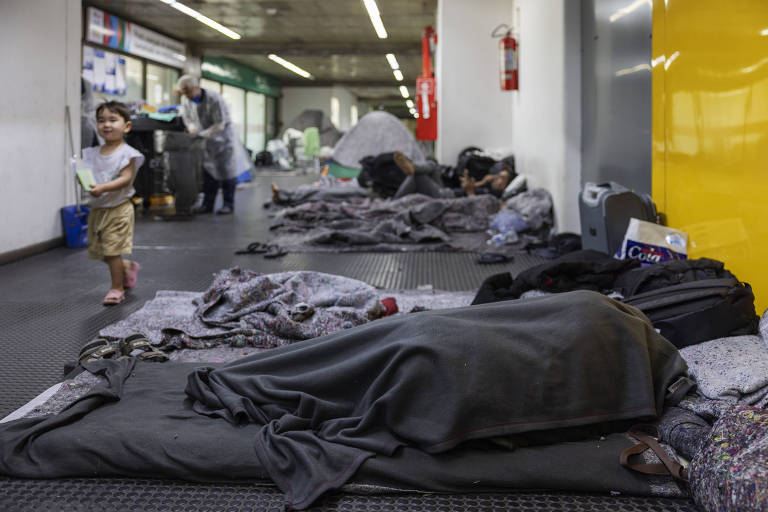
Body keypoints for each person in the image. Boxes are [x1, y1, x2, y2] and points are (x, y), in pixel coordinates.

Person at [82, 101, 144, 305]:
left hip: (119, 208)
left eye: (113, 120)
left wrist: (103, 188)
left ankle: (117, 288)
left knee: (112, 250)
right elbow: (87, 175)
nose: (106, 125)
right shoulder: (91, 153)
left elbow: (126, 178)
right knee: (99, 250)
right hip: (98, 209)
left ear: (126, 126)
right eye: (101, 121)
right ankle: (125, 267)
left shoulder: (128, 153)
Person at [176, 74, 241, 215]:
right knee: (209, 173)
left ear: (196, 87)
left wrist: (200, 134)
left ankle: (228, 205)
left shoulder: (214, 98)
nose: (186, 95)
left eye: (188, 92)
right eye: (184, 92)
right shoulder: (185, 99)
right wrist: (191, 127)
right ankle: (207, 205)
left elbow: (220, 124)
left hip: (223, 140)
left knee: (226, 172)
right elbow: (187, 117)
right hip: (205, 141)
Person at [391, 151, 513, 199]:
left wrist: (470, 190)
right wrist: (482, 182)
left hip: (447, 199)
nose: (497, 177)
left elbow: (476, 207)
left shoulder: (496, 196)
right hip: (447, 191)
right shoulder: (488, 186)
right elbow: (471, 189)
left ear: (506, 186)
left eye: (502, 178)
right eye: (498, 175)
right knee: (433, 164)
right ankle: (413, 167)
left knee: (418, 177)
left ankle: (395, 202)